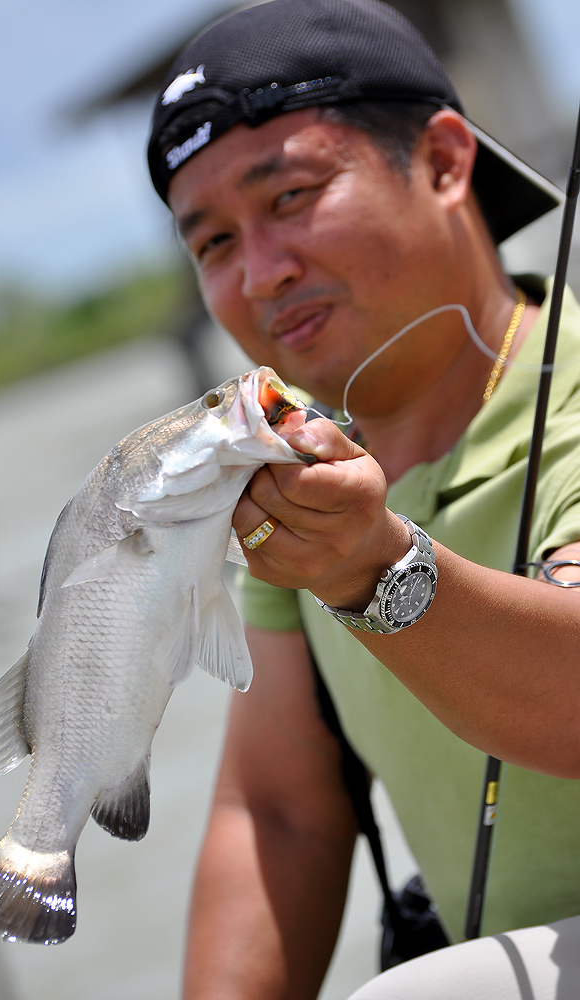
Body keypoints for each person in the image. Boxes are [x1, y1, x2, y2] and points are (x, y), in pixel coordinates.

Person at [146, 1, 580, 996]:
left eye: (291, 195)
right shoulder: (299, 471)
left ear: (441, 161)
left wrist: (374, 571)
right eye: (210, 243)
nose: (260, 272)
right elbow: (277, 809)